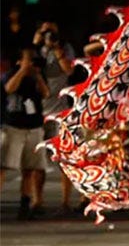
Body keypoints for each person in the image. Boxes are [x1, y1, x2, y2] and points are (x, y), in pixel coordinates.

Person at [32, 21, 77, 216]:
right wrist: (36, 44)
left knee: (64, 157)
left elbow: (69, 70)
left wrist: (57, 48)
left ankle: (66, 201)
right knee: (37, 160)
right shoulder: (35, 50)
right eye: (45, 32)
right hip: (38, 110)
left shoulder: (65, 47)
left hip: (60, 110)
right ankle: (37, 201)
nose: (49, 35)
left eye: (52, 31)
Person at [1, 47, 51, 219]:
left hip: (34, 126)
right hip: (13, 126)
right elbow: (8, 88)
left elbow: (46, 93)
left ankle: (25, 205)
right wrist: (22, 70)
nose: (31, 63)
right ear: (19, 61)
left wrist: (37, 75)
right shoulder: (11, 74)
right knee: (3, 166)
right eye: (27, 59)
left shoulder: (37, 75)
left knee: (30, 168)